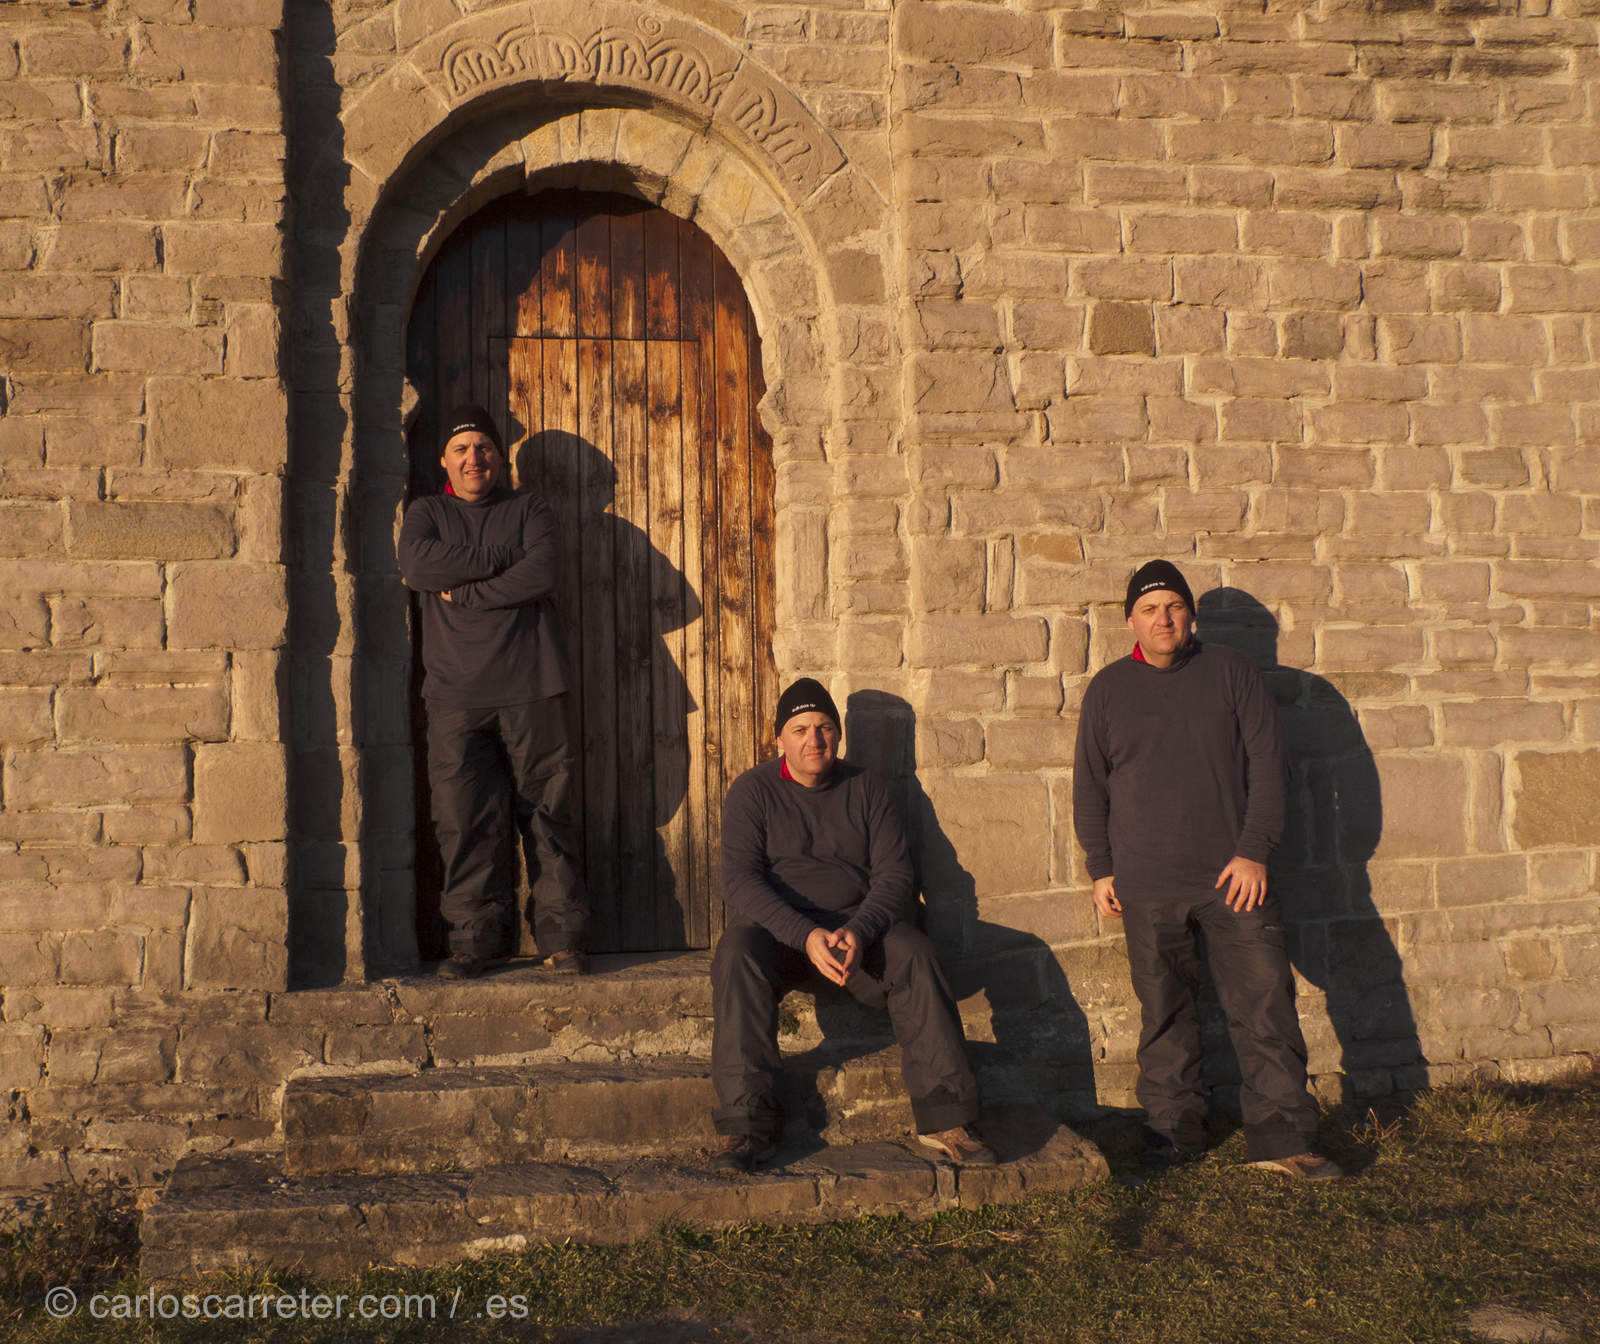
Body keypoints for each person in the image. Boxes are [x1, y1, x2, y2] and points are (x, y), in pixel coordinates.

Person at [1072, 560, 1341, 1180]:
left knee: (1265, 1005)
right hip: (1144, 883)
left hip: (1233, 879)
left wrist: (1254, 851)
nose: (1162, 619)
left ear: (1189, 614)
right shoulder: (1108, 690)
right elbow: (1091, 786)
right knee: (1163, 1011)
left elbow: (1270, 767)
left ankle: (1283, 1139)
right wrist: (1101, 868)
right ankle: (1173, 1132)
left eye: (1173, 606)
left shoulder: (1231, 672)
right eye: (1149, 609)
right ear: (1130, 621)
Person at [709, 678, 995, 1173]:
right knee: (735, 952)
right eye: (799, 729)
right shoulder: (752, 791)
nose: (813, 739)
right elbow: (740, 882)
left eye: (823, 727)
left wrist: (860, 931)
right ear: (779, 738)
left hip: (857, 931)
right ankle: (748, 1125)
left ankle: (946, 1116)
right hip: (781, 934)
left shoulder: (867, 788)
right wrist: (804, 934)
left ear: (838, 735)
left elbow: (895, 875)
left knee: (916, 953)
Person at [397, 404, 588, 978]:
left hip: (534, 684)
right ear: (444, 462)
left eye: (483, 448)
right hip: (455, 694)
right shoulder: (426, 512)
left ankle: (562, 938)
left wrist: (473, 592)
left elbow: (544, 570)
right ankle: (475, 942)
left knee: (549, 814)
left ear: (499, 459)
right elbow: (417, 566)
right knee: (464, 820)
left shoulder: (528, 507)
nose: (473, 458)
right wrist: (501, 558)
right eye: (461, 449)